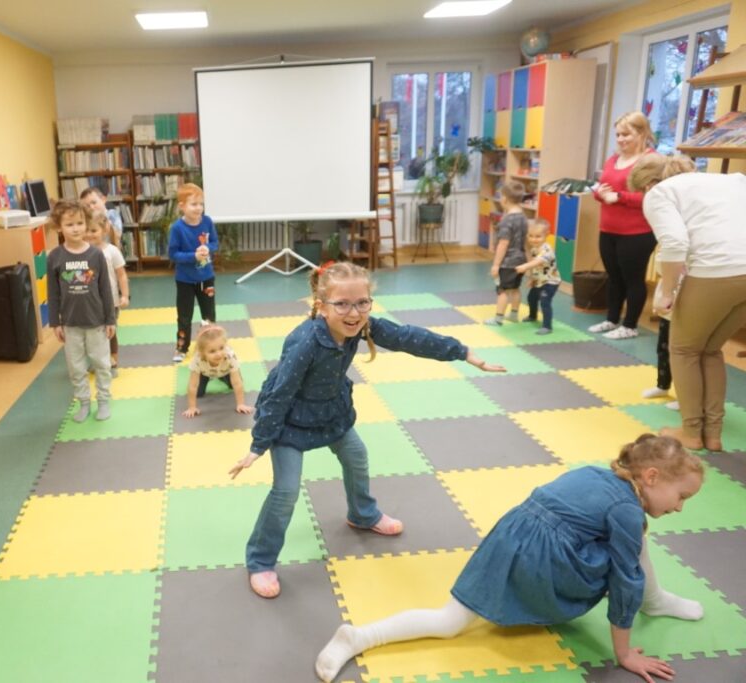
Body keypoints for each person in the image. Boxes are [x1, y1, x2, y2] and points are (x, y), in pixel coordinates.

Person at [316, 433, 705, 683]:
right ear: (651, 477)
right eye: (682, 496)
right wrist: (623, 654)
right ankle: (654, 601)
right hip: (542, 564)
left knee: (447, 620)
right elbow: (625, 580)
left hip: (508, 541)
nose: (680, 507)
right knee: (631, 548)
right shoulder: (627, 510)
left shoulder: (598, 474)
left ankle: (360, 635)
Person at [229, 262, 505, 599]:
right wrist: (259, 445)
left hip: (332, 413)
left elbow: (407, 338)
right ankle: (260, 560)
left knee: (357, 456)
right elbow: (280, 392)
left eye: (362, 302)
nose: (354, 312)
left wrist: (463, 352)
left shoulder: (362, 327)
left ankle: (363, 514)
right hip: (291, 421)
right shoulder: (305, 342)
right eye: (342, 304)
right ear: (321, 305)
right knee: (286, 492)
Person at [629, 153, 746, 452]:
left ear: (651, 183)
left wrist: (666, 293)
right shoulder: (731, 180)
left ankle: (692, 432)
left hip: (715, 272)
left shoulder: (660, 193)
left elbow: (676, 243)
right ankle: (714, 434)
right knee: (709, 349)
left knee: (683, 349)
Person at [588, 111, 658, 340]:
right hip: (608, 229)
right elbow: (604, 189)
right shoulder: (613, 159)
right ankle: (611, 319)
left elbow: (653, 197)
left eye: (626, 134)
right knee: (614, 277)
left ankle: (630, 325)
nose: (620, 139)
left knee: (633, 279)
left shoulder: (651, 161)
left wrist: (620, 197)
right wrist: (600, 194)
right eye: (618, 134)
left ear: (642, 132)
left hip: (636, 233)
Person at [47, 200, 116, 422]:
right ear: (59, 227)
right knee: (76, 368)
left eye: (80, 223)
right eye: (69, 224)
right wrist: (55, 322)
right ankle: (84, 402)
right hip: (70, 324)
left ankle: (103, 400)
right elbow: (53, 291)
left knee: (101, 364)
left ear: (86, 224)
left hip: (96, 322)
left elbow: (105, 289)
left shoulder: (96, 255)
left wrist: (110, 319)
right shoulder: (55, 257)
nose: (76, 228)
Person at [168, 182, 219, 363]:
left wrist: (208, 248)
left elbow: (214, 243)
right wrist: (193, 256)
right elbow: (173, 254)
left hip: (207, 278)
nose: (199, 208)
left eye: (201, 204)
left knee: (209, 315)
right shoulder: (177, 228)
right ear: (182, 206)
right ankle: (182, 348)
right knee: (184, 316)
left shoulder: (207, 222)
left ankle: (211, 346)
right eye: (193, 204)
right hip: (185, 281)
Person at [85, 212, 130, 377]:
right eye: (87, 230)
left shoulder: (112, 251)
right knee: (92, 332)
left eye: (94, 230)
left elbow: (121, 275)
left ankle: (113, 359)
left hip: (110, 300)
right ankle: (97, 360)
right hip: (90, 301)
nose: (89, 234)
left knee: (109, 331)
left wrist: (124, 295)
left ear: (104, 231)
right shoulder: (83, 252)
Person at [181, 323, 254, 418]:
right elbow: (193, 385)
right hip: (204, 373)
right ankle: (211, 377)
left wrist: (240, 404)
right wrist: (192, 407)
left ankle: (221, 377)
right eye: (212, 351)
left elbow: (237, 383)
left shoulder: (230, 356)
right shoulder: (198, 359)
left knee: (234, 385)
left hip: (225, 371)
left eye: (221, 348)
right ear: (202, 352)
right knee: (198, 393)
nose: (219, 354)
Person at [642, 252, 681, 411]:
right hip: (668, 310)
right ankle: (662, 385)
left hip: (686, 311)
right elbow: (660, 266)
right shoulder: (672, 247)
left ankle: (685, 397)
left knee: (681, 356)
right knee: (663, 349)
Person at [485, 180, 528, 326]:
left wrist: (496, 265)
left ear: (504, 199)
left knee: (502, 290)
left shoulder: (507, 221)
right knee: (515, 288)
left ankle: (498, 318)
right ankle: (514, 314)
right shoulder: (523, 218)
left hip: (507, 262)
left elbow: (503, 243)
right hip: (520, 260)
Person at [515, 218, 561, 335]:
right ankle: (532, 315)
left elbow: (538, 262)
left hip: (550, 282)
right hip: (539, 280)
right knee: (531, 298)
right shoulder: (534, 248)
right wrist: (532, 279)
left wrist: (525, 266)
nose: (534, 239)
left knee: (545, 301)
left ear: (546, 235)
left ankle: (547, 326)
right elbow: (535, 268)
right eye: (531, 236)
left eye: (538, 236)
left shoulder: (547, 249)